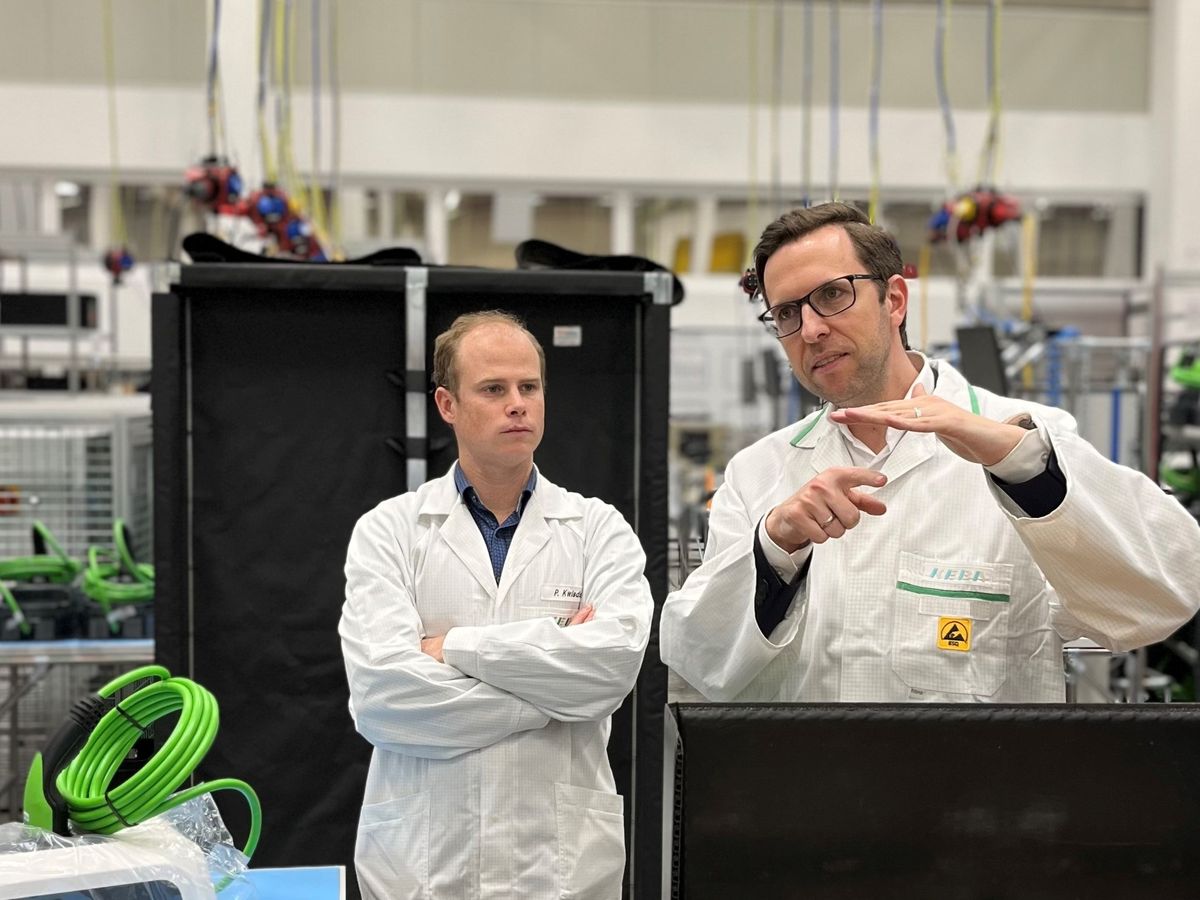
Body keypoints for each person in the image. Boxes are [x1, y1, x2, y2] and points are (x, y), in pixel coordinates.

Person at [660, 202, 1200, 703]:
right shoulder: (760, 473)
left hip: (977, 803)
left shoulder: (1023, 440)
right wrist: (775, 547)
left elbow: (1163, 597)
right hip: (810, 797)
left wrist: (1022, 470)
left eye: (831, 295)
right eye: (786, 314)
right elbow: (700, 659)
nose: (812, 329)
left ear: (894, 300)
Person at [340, 310, 652, 899]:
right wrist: (552, 692)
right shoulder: (389, 531)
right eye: (493, 389)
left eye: (529, 387)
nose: (518, 404)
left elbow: (609, 670)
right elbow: (383, 698)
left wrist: (451, 648)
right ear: (447, 404)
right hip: (426, 866)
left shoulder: (597, 529)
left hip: (561, 866)